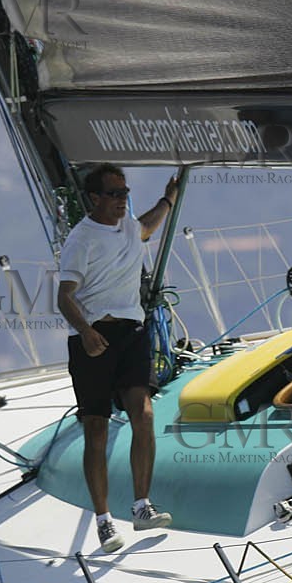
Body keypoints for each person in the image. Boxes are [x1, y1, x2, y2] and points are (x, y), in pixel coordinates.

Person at [56, 163, 178, 552]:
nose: (123, 199)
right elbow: (65, 296)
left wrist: (168, 199)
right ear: (94, 198)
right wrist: (87, 333)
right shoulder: (81, 239)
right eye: (115, 193)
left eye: (126, 192)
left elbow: (146, 227)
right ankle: (104, 520)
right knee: (97, 428)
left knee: (143, 414)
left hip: (131, 334)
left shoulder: (127, 226)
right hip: (94, 338)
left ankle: (142, 506)